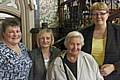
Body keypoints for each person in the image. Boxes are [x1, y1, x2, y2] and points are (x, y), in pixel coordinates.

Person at [81, 2, 120, 80]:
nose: (98, 16)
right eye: (95, 14)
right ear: (91, 16)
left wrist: (114, 67)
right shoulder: (84, 33)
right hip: (89, 76)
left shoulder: (118, 31)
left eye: (102, 13)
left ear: (107, 14)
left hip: (113, 76)